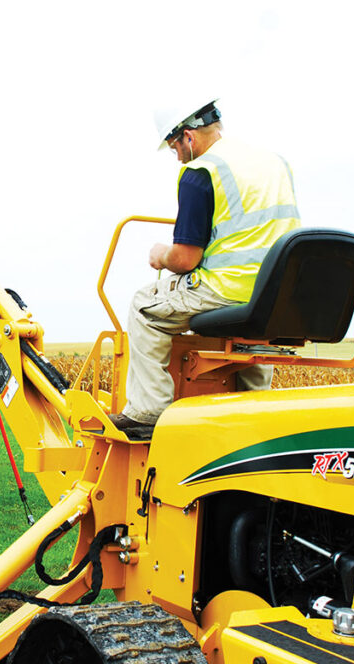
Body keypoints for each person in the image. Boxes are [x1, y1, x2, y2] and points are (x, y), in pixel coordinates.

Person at [109, 99, 301, 437]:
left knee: (144, 306)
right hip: (276, 294)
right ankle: (253, 408)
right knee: (252, 335)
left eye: (175, 149)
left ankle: (148, 413)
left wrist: (160, 254)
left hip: (229, 289)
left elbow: (185, 259)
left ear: (188, 136)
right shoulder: (275, 164)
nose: (178, 157)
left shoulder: (201, 171)